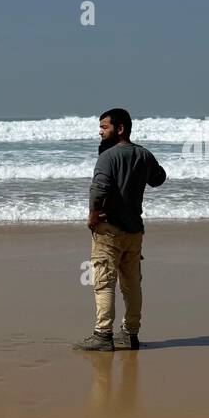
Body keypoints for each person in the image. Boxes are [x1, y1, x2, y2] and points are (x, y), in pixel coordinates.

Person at [73, 108, 167, 352]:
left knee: (104, 282)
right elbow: (159, 179)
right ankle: (130, 333)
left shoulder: (108, 157)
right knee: (132, 284)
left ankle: (103, 336)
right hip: (134, 231)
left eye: (104, 127)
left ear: (120, 128)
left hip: (109, 230)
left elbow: (98, 189)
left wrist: (93, 214)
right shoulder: (143, 154)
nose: (100, 131)